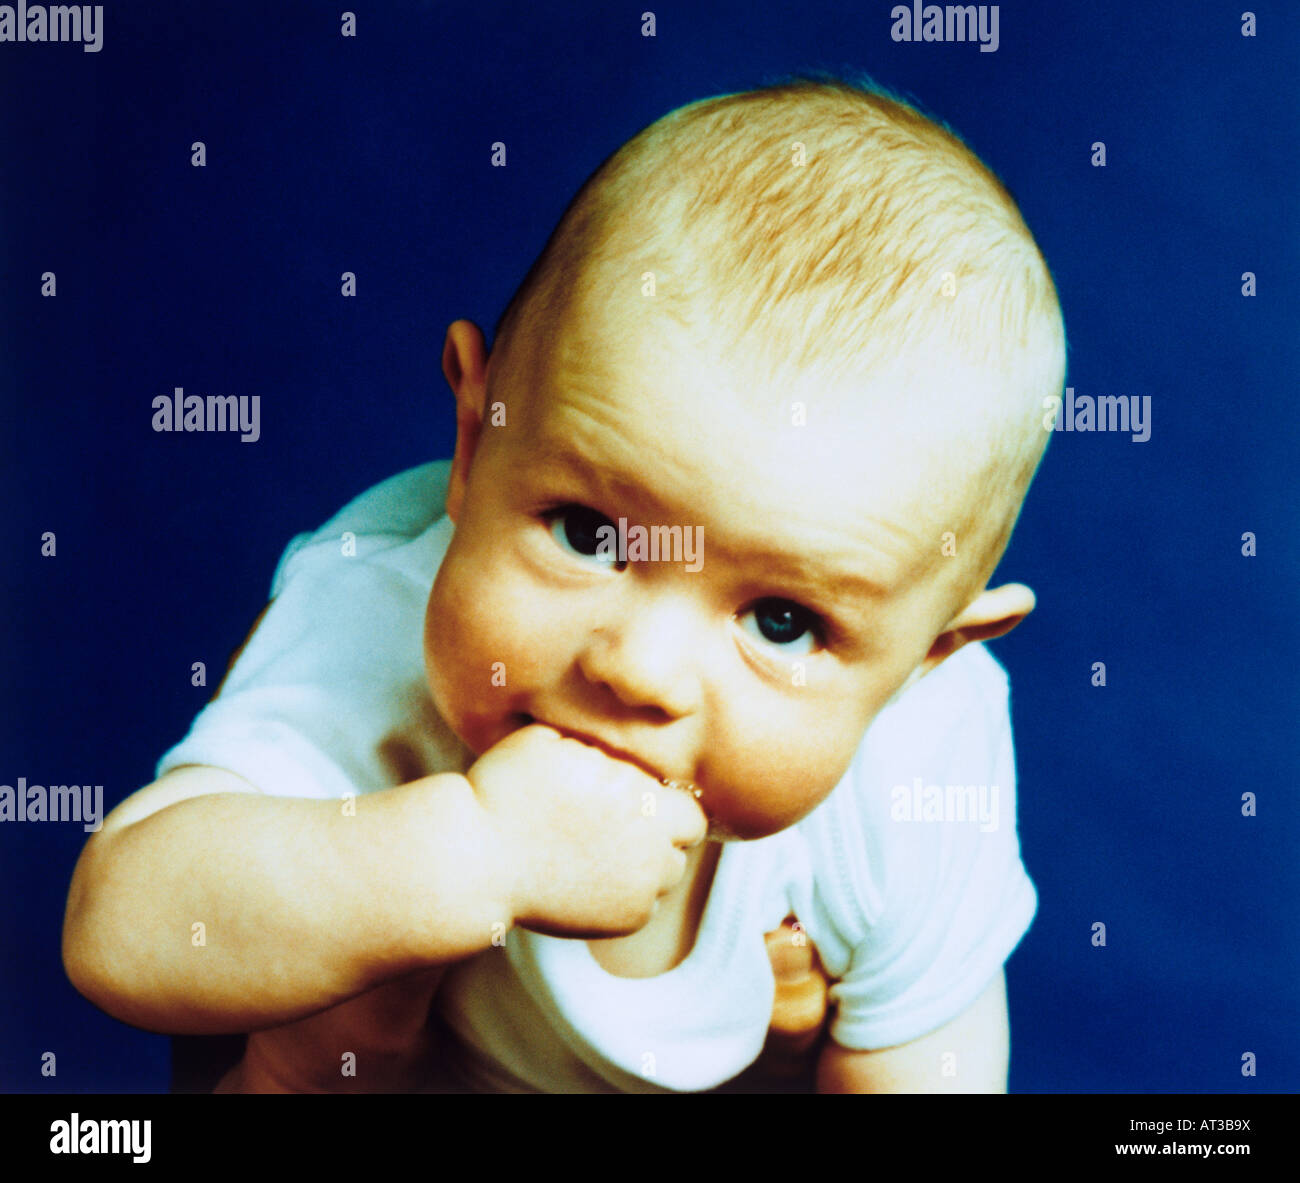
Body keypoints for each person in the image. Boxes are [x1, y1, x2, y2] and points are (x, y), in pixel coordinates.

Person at [62, 76, 1064, 1093]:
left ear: (927, 659)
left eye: (781, 620)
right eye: (590, 535)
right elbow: (119, 929)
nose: (638, 668)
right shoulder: (376, 605)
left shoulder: (921, 759)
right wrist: (463, 854)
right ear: (470, 442)